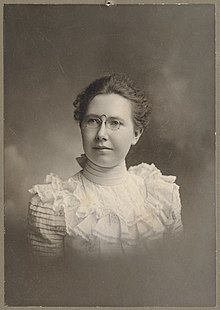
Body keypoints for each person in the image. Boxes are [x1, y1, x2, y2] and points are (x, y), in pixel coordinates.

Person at [27, 73, 183, 259]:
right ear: (81, 127)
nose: (101, 134)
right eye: (93, 121)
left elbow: (177, 272)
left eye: (114, 123)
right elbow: (44, 284)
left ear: (136, 134)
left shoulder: (162, 196)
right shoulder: (53, 206)